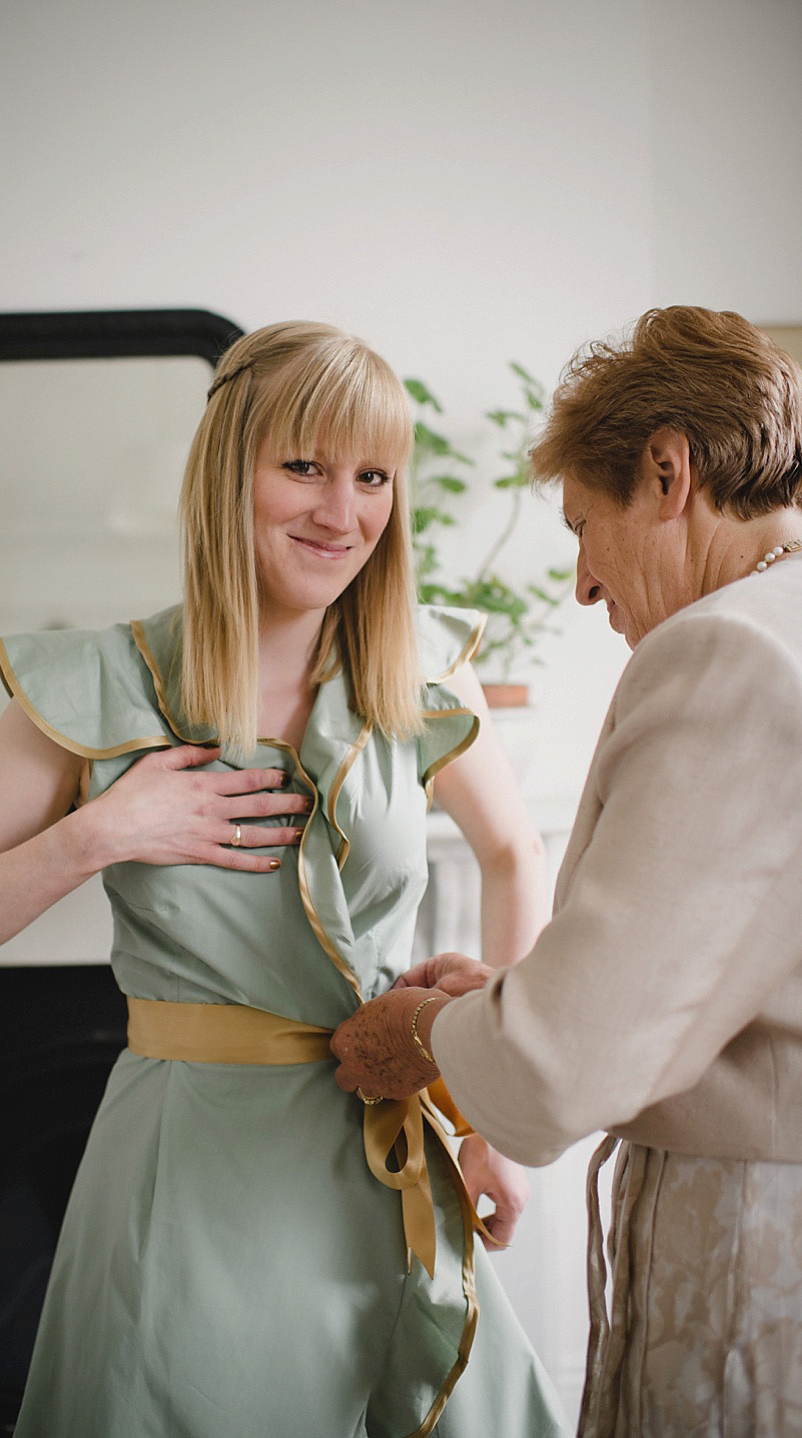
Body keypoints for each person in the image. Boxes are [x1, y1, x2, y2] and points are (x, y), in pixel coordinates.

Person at [0, 321, 569, 1438]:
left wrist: (498, 1101)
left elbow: (516, 850)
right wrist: (97, 832)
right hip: (186, 1174)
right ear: (226, 473)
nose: (340, 513)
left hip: (385, 1144)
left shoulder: (418, 674)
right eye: (301, 465)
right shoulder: (99, 685)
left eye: (371, 477)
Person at [332, 305, 802, 1437]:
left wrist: (425, 1037)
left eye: (585, 526)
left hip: (759, 1240)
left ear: (667, 470)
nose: (585, 587)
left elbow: (565, 1063)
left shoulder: (731, 650)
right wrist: (498, 1005)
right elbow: (690, 974)